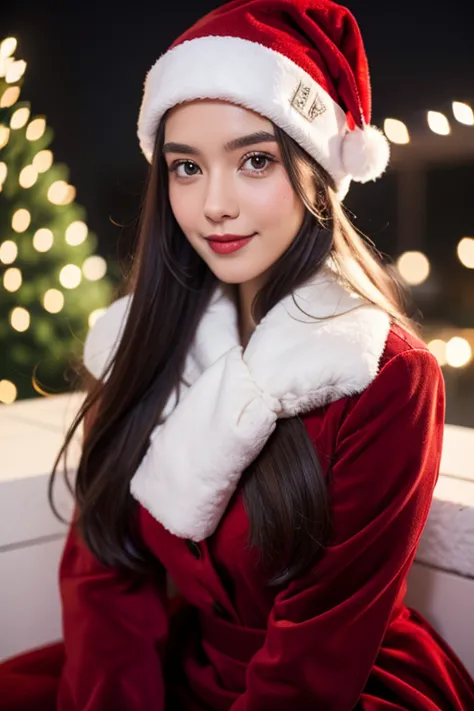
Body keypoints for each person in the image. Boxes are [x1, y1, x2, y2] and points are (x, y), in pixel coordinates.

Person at [1, 0, 474, 709]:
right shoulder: (148, 338)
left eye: (255, 160)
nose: (214, 203)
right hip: (181, 667)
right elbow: (103, 570)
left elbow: (314, 662)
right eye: (185, 168)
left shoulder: (386, 376)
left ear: (319, 170)